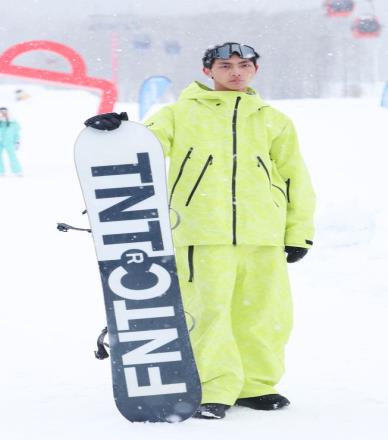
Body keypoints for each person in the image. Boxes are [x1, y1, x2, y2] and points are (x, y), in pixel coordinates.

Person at [84, 42, 316, 420]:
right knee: (208, 313)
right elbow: (145, 145)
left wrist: (298, 231)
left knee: (263, 314)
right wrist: (116, 132)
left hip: (262, 234)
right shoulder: (180, 113)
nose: (236, 72)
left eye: (243, 65)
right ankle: (213, 387)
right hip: (201, 232)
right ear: (208, 71)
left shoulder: (273, 120)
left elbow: (295, 178)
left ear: (255, 70)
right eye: (225, 65)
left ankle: (256, 385)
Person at [0, 107, 22, 177]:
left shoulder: (13, 123)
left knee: (12, 156)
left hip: (9, 142)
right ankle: (0, 172)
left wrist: (17, 141)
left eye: (5, 112)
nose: (3, 113)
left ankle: (17, 171)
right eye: (1, 112)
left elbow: (16, 133)